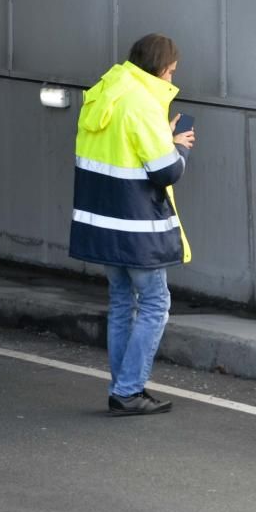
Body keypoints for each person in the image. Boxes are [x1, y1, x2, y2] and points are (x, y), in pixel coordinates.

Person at [69, 33, 196, 416]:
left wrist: (163, 134)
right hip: (138, 229)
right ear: (159, 68)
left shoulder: (103, 92)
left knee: (122, 302)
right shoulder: (142, 104)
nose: (172, 79)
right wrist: (180, 145)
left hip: (102, 225)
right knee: (156, 303)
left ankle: (120, 388)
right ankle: (128, 390)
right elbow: (165, 170)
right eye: (171, 71)